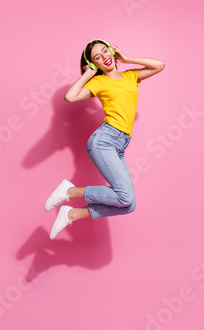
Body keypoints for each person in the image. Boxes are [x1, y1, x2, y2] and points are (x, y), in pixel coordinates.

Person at [45, 39, 165, 239]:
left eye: (104, 51)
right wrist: (88, 74)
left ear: (112, 51)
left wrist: (127, 59)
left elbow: (159, 65)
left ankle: (72, 213)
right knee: (125, 196)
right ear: (94, 64)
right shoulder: (98, 82)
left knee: (128, 204)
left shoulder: (130, 76)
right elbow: (70, 97)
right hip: (104, 141)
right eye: (97, 58)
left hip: (120, 144)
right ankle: (70, 191)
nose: (104, 57)